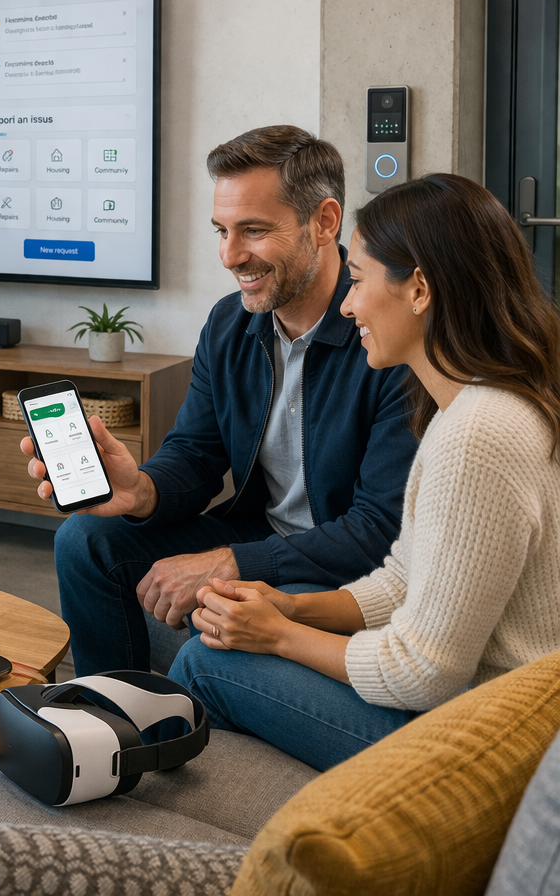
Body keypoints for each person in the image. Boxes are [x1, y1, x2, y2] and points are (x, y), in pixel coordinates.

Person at [167, 173, 560, 771]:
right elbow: (404, 578)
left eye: (357, 281)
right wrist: (292, 609)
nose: (347, 305)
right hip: (491, 713)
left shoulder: (477, 435)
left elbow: (422, 672)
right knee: (279, 604)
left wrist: (277, 636)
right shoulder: (475, 406)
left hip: (485, 746)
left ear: (419, 289)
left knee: (206, 661)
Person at [28, 126, 419, 675]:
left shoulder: (386, 335)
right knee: (84, 539)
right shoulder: (229, 322)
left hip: (343, 566)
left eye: (254, 230)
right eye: (222, 230)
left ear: (325, 222)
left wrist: (232, 563)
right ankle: (110, 717)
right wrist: (141, 489)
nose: (231, 255)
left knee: (209, 631)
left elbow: (380, 530)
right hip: (262, 530)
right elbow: (196, 451)